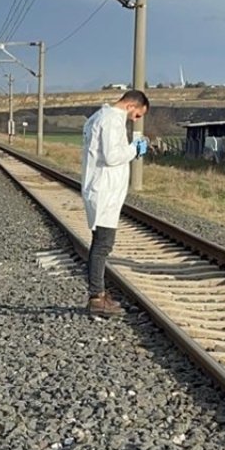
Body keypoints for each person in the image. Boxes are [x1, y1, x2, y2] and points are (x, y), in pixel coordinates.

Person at [81, 90, 150, 317]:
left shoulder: (100, 117)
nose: (136, 120)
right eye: (138, 115)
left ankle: (98, 294)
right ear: (131, 106)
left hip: (102, 189)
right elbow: (111, 156)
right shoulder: (111, 119)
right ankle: (96, 297)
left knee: (100, 243)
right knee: (102, 245)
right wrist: (134, 149)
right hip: (104, 192)